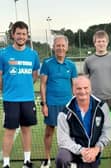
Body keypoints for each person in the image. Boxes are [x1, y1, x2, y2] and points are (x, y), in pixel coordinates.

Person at [0, 21, 40, 168]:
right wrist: (8, 90)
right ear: (13, 34)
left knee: (26, 130)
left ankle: (27, 161)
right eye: (18, 33)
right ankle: (6, 163)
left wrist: (26, 87)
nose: (21, 36)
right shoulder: (3, 54)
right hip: (10, 100)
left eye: (24, 34)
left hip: (28, 99)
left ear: (27, 35)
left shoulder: (33, 54)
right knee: (9, 131)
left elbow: (35, 74)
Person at [56, 74, 111, 168]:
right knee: (62, 158)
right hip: (73, 152)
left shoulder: (102, 107)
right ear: (73, 90)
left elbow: (107, 131)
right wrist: (81, 150)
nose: (82, 91)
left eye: (85, 88)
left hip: (93, 152)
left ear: (90, 89)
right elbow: (63, 140)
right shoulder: (64, 113)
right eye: (79, 88)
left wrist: (97, 148)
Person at [83, 30, 111, 163]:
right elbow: (86, 81)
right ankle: (95, 153)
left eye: (103, 41)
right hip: (95, 100)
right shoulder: (88, 60)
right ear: (94, 43)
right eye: (98, 41)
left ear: (107, 42)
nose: (101, 44)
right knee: (96, 128)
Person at [40, 35, 77, 168]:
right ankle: (47, 158)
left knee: (71, 133)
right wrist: (44, 104)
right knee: (49, 132)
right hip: (51, 104)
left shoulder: (71, 65)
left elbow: (74, 86)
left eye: (62, 45)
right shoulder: (47, 63)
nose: (60, 48)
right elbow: (43, 84)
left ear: (66, 48)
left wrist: (75, 104)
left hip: (67, 105)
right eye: (58, 45)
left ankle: (71, 158)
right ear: (53, 47)